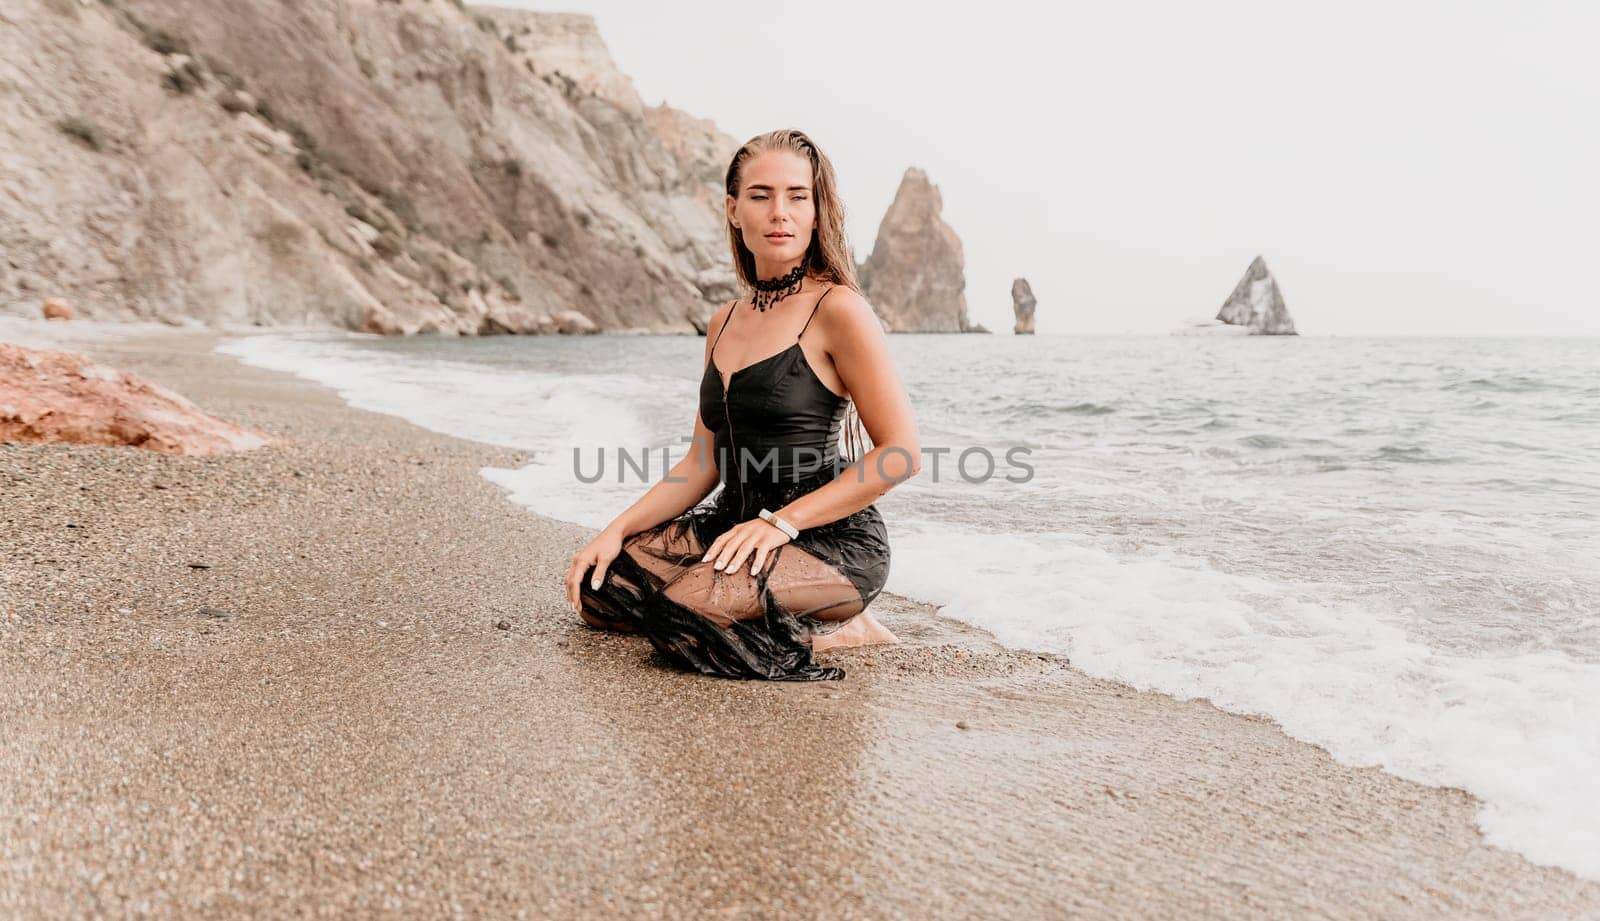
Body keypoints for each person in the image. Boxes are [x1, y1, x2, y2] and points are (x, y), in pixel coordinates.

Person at [564, 128, 922, 680]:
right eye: (760, 195)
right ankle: (767, 613)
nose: (779, 211)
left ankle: (839, 626)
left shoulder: (838, 309)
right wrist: (615, 529)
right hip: (734, 524)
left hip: (826, 540)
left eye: (797, 196)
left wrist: (780, 523)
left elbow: (900, 455)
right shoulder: (723, 321)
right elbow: (701, 464)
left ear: (816, 209)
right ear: (734, 210)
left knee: (681, 615)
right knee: (601, 589)